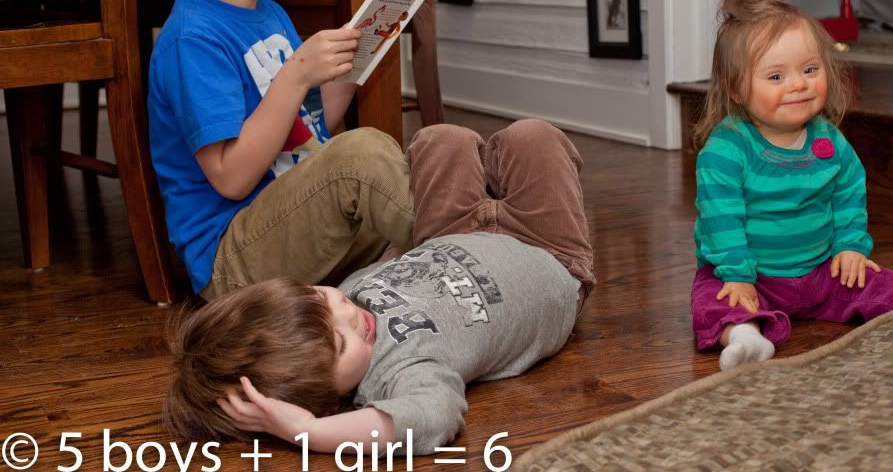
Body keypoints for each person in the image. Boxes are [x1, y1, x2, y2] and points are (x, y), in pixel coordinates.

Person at [163, 119, 596, 453]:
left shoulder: (351, 300)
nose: (352, 314)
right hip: (547, 253)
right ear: (330, 402)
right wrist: (307, 431)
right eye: (340, 341)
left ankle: (487, 186)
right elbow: (433, 418)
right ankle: (501, 186)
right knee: (534, 137)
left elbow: (395, 262)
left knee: (438, 139)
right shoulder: (397, 374)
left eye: (323, 298)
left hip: (455, 234)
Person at [145, 0, 414, 300]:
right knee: (362, 156)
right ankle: (468, 244)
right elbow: (230, 178)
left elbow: (303, 131)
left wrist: (351, 66)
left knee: (437, 149)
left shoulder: (270, 15)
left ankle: (448, 241)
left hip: (298, 225)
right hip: (235, 262)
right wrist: (295, 76)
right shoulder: (193, 39)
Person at [691, 0, 893, 371]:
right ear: (736, 89)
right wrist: (739, 276)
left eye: (810, 70)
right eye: (776, 76)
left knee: (871, 278)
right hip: (753, 276)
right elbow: (721, 221)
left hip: (821, 272)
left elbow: (849, 193)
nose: (799, 85)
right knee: (713, 297)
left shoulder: (828, 139)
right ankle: (745, 335)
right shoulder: (725, 151)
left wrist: (850, 246)